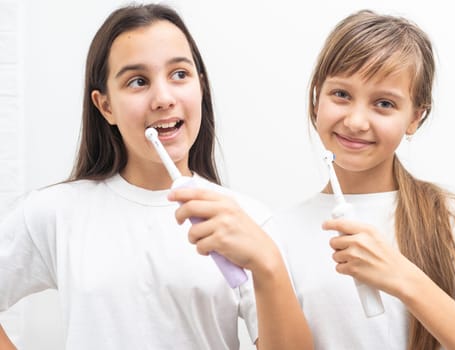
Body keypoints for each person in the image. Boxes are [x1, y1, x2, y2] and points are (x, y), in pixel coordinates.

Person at [0, 4, 313, 350]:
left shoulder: (247, 218)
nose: (163, 98)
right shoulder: (56, 213)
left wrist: (267, 263)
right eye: (138, 81)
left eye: (180, 74)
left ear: (201, 86)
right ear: (105, 106)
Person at [269, 9, 455, 350]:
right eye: (341, 94)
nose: (357, 121)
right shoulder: (275, 234)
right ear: (317, 97)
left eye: (384, 103)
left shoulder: (453, 220)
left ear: (415, 117)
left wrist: (403, 277)